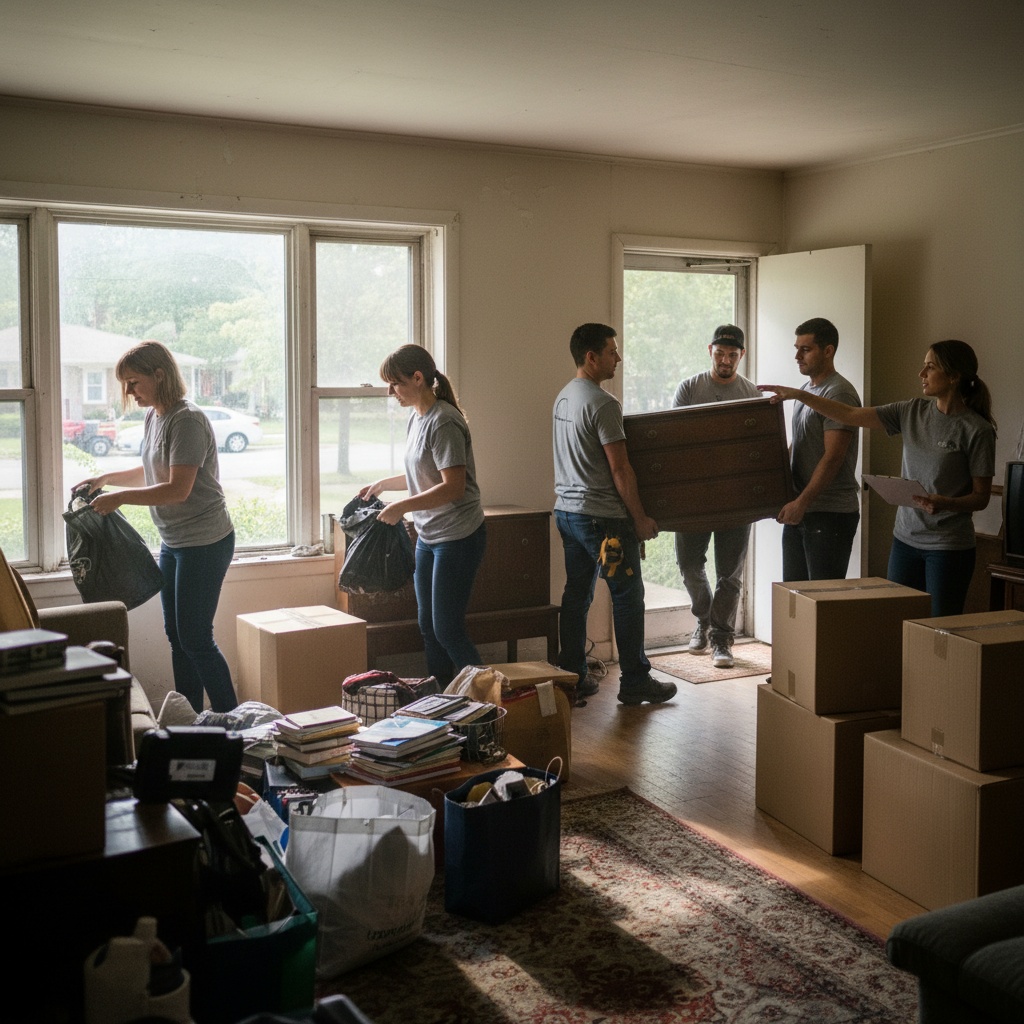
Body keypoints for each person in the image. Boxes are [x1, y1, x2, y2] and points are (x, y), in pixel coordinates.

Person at [759, 339, 996, 617]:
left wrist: (945, 503)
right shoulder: (912, 411)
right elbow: (849, 414)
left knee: (939, 629)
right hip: (905, 541)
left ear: (954, 376)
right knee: (897, 619)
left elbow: (981, 497)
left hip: (948, 546)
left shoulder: (976, 430)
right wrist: (799, 396)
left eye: (930, 368)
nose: (921, 375)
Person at [76, 340, 237, 713]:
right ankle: (190, 719)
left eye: (133, 382)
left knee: (196, 638)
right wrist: (106, 479)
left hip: (206, 542)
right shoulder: (155, 416)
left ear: (159, 374)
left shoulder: (187, 419)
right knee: (177, 638)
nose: (129, 392)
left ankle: (237, 721)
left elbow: (177, 489)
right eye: (125, 384)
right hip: (174, 542)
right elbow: (150, 470)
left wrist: (118, 500)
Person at [552, 323, 676, 706]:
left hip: (568, 514)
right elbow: (620, 469)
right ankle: (636, 680)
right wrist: (638, 519)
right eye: (612, 351)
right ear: (591, 357)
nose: (618, 358)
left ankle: (573, 675)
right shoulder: (603, 404)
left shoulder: (564, 397)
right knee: (626, 594)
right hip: (601, 522)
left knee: (577, 594)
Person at [360, 344, 486, 687]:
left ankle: (492, 699)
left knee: (448, 629)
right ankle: (443, 703)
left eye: (395, 383)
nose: (390, 392)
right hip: (430, 536)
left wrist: (402, 507)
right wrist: (385, 485)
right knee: (429, 628)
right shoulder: (418, 418)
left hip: (458, 536)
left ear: (418, 378)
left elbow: (452, 487)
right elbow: (423, 474)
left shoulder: (444, 421)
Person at [673, 324, 761, 668]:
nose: (726, 360)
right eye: (720, 353)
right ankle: (704, 617)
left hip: (736, 497)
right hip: (694, 496)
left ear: (742, 355)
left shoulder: (751, 393)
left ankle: (722, 640)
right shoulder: (689, 388)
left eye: (733, 355)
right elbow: (677, 439)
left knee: (730, 572)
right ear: (710, 350)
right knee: (688, 564)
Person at [778, 317, 862, 582]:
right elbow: (799, 444)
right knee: (793, 599)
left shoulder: (839, 393)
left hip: (830, 515)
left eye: (805, 349)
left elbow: (833, 457)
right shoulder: (805, 390)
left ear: (828, 351)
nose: (797, 356)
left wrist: (802, 502)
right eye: (796, 348)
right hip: (801, 509)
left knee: (821, 604)